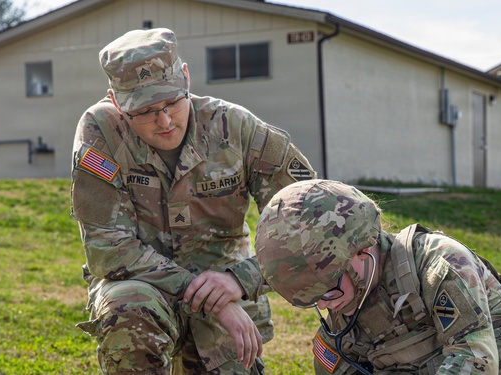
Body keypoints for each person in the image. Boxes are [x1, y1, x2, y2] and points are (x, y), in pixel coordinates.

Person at [70, 27, 316, 374]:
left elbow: (308, 220)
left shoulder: (236, 128)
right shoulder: (102, 133)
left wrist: (241, 279)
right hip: (146, 289)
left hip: (226, 287)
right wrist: (203, 295)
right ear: (115, 102)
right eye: (144, 110)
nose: (165, 120)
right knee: (127, 306)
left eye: (173, 101)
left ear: (186, 77)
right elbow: (107, 248)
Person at [255, 179, 501, 374]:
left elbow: (475, 358)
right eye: (312, 298)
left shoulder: (439, 264)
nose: (326, 305)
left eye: (328, 289)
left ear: (360, 251)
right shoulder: (339, 285)